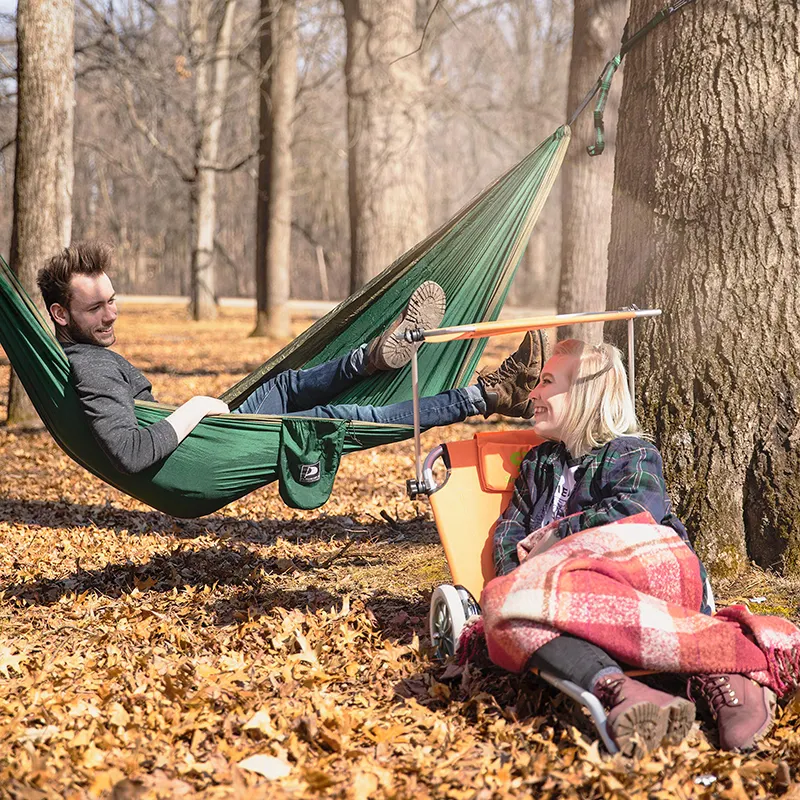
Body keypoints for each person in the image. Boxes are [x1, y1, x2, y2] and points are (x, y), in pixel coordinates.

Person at [482, 339, 785, 756]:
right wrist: (517, 581)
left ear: (586, 394)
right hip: (577, 599)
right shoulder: (538, 465)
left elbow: (635, 512)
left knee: (530, 591)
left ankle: (728, 674)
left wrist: (555, 538)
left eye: (547, 382)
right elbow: (508, 533)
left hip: (647, 579)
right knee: (503, 605)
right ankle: (621, 689)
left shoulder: (632, 452)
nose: (532, 393)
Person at [36, 240, 547, 475]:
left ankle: (373, 358)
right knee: (344, 419)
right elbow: (131, 453)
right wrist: (193, 408)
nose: (111, 315)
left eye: (113, 300)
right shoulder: (91, 368)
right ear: (61, 314)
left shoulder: (87, 355)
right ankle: (490, 393)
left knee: (288, 385)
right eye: (96, 307)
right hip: (205, 456)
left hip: (214, 432)